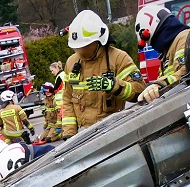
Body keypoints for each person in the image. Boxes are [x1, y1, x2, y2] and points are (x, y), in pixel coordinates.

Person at [61, 10, 145, 138]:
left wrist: (114, 86)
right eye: (76, 47)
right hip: (82, 135)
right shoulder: (71, 62)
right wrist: (69, 134)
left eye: (85, 46)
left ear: (98, 40)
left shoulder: (118, 58)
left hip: (113, 132)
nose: (80, 51)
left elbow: (140, 90)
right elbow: (67, 99)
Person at [135, 3, 190, 104]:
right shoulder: (166, 53)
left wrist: (159, 84)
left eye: (147, 41)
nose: (151, 45)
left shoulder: (184, 38)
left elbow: (188, 70)